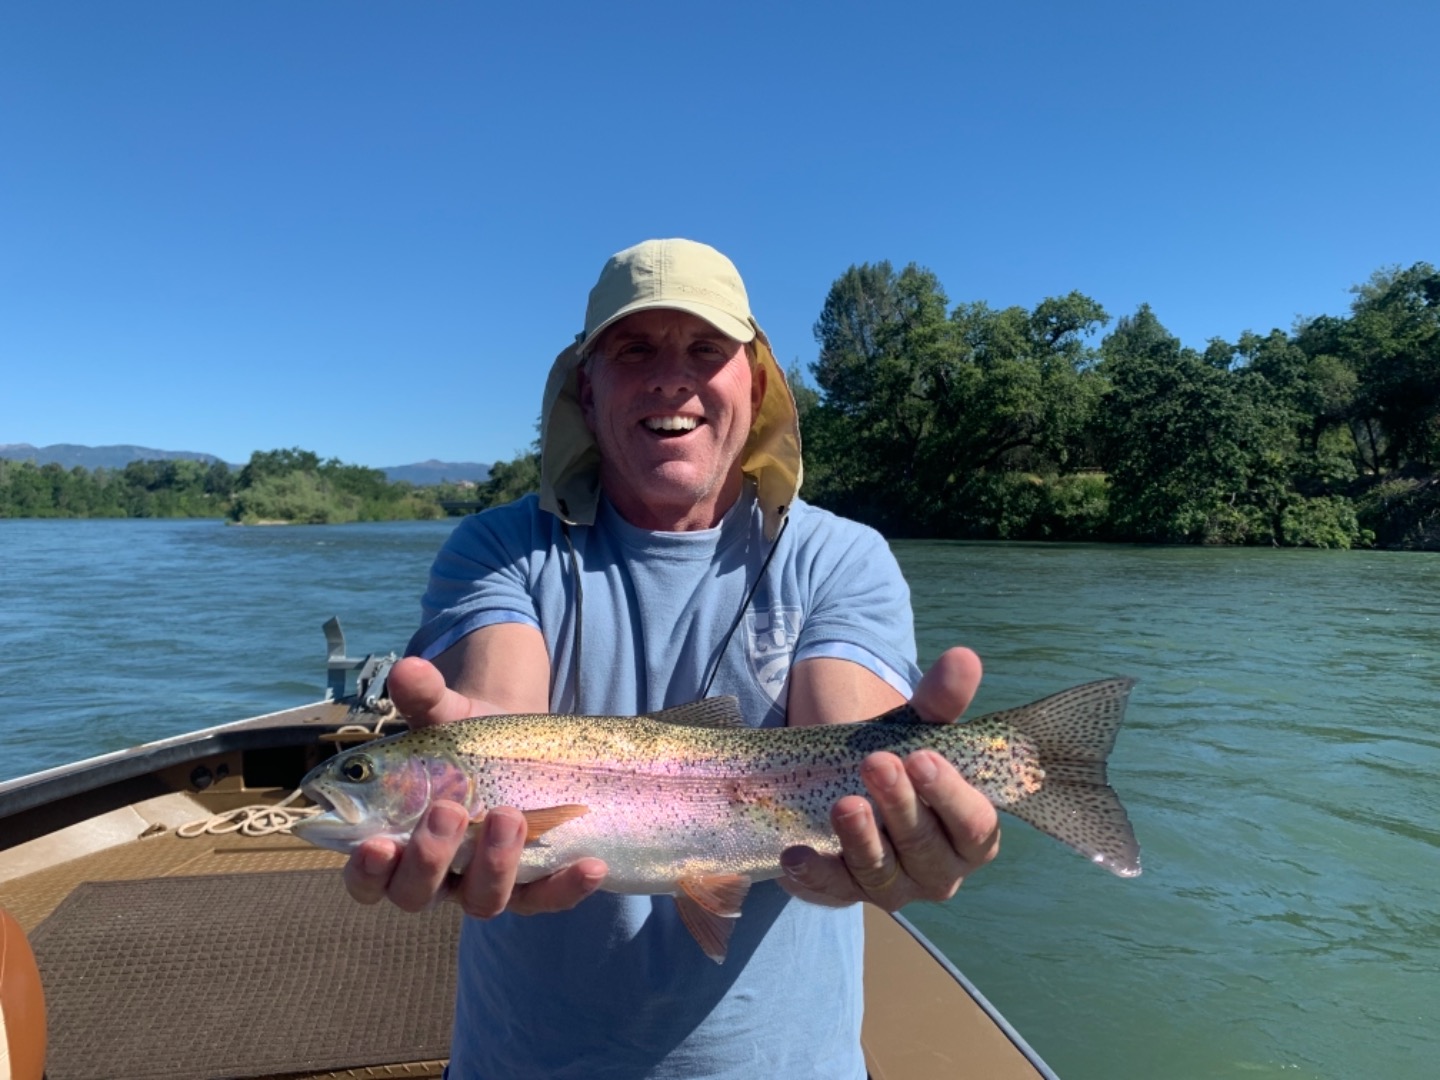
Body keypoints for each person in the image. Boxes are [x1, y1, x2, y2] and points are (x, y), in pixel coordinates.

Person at [342, 238, 1000, 1078]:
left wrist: (897, 827)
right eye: (634, 349)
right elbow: (497, 700)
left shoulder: (839, 556)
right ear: (588, 387)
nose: (669, 377)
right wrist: (483, 750)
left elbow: (848, 730)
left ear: (753, 382)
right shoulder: (501, 550)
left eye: (705, 349)